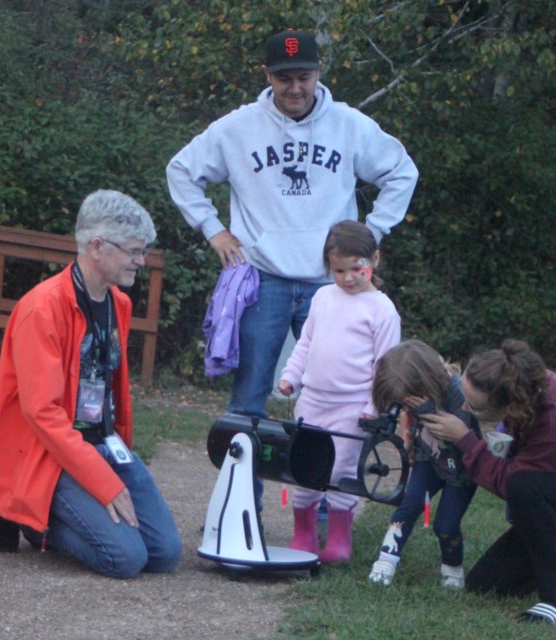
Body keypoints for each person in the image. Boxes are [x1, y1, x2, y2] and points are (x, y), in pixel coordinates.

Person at [166, 27, 418, 433]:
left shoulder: (349, 125)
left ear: (318, 72)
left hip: (331, 282)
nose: (295, 88)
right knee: (249, 396)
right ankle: (245, 494)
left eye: (304, 77)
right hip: (263, 278)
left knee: (336, 389)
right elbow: (180, 170)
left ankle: (327, 489)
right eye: (284, 78)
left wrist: (370, 236)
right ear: (267, 75)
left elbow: (402, 172)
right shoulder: (238, 128)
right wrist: (214, 230)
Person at [0, 189, 182, 579]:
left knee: (164, 554)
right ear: (97, 246)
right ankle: (27, 517)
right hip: (51, 453)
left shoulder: (120, 304)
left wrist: (117, 462)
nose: (141, 261)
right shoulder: (42, 308)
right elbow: (42, 413)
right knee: (125, 560)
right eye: (133, 251)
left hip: (103, 444)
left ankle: (38, 508)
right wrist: (103, 483)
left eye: (142, 251)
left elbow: (109, 385)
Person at [420, 339, 556, 625]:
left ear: (508, 402)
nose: (464, 407)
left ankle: (555, 604)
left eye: (474, 408)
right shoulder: (524, 384)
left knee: (524, 485)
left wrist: (466, 440)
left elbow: (514, 486)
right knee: (484, 585)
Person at [277, 221, 401, 563]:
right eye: (338, 271)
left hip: (352, 408)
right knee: (304, 465)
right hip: (312, 400)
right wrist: (292, 375)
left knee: (340, 471)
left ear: (374, 259)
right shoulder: (322, 297)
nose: (348, 277)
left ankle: (338, 541)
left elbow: (384, 366)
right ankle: (303, 535)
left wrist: (372, 406)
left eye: (356, 268)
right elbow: (306, 343)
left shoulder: (382, 309)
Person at [366, 340, 481, 589]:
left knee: (445, 524)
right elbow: (411, 422)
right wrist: (409, 440)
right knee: (408, 506)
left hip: (461, 469)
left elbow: (457, 434)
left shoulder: (457, 392)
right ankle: (387, 559)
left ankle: (452, 569)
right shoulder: (414, 393)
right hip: (428, 459)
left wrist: (429, 412)